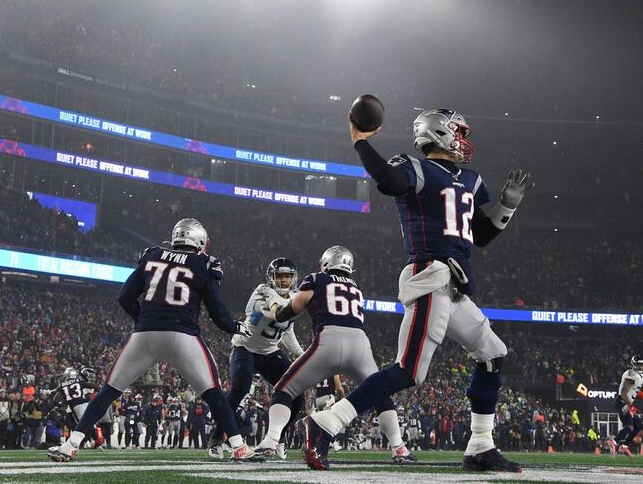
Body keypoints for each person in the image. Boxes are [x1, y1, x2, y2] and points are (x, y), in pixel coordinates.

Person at [299, 109, 533, 472]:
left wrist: (506, 206)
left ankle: (480, 446)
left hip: (454, 285)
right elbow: (388, 179)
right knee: (409, 370)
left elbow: (481, 236)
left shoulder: (470, 179)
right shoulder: (417, 168)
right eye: (459, 132)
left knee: (493, 353)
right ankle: (325, 423)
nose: (464, 140)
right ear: (440, 134)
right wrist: (362, 143)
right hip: (430, 274)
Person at [47, 218, 255, 462]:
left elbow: (125, 297)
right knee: (214, 394)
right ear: (199, 241)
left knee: (107, 392)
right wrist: (235, 326)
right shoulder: (206, 263)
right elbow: (218, 313)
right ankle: (239, 447)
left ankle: (70, 446)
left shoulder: (152, 255)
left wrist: (143, 320)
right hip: (183, 336)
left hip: (144, 336)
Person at [252, 246, 415, 465]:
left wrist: (276, 309)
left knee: (284, 389)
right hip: (360, 345)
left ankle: (271, 441)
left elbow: (292, 309)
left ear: (325, 263)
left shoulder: (316, 279)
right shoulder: (356, 287)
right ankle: (399, 448)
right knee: (380, 393)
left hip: (328, 341)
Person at [207, 257, 306, 461]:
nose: (285, 280)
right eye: (280, 276)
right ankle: (216, 439)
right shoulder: (261, 294)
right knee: (239, 389)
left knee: (297, 393)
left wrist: (304, 355)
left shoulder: (294, 297)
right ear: (271, 277)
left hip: (269, 352)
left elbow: (287, 332)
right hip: (245, 347)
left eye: (288, 276)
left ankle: (277, 437)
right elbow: (278, 314)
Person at [607, 356, 643, 457]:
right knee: (630, 426)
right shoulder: (632, 375)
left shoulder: (639, 376)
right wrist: (630, 406)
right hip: (622, 403)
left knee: (638, 426)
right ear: (633, 365)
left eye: (642, 364)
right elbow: (624, 393)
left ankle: (624, 447)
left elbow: (636, 390)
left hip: (627, 403)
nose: (641, 367)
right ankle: (614, 442)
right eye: (638, 365)